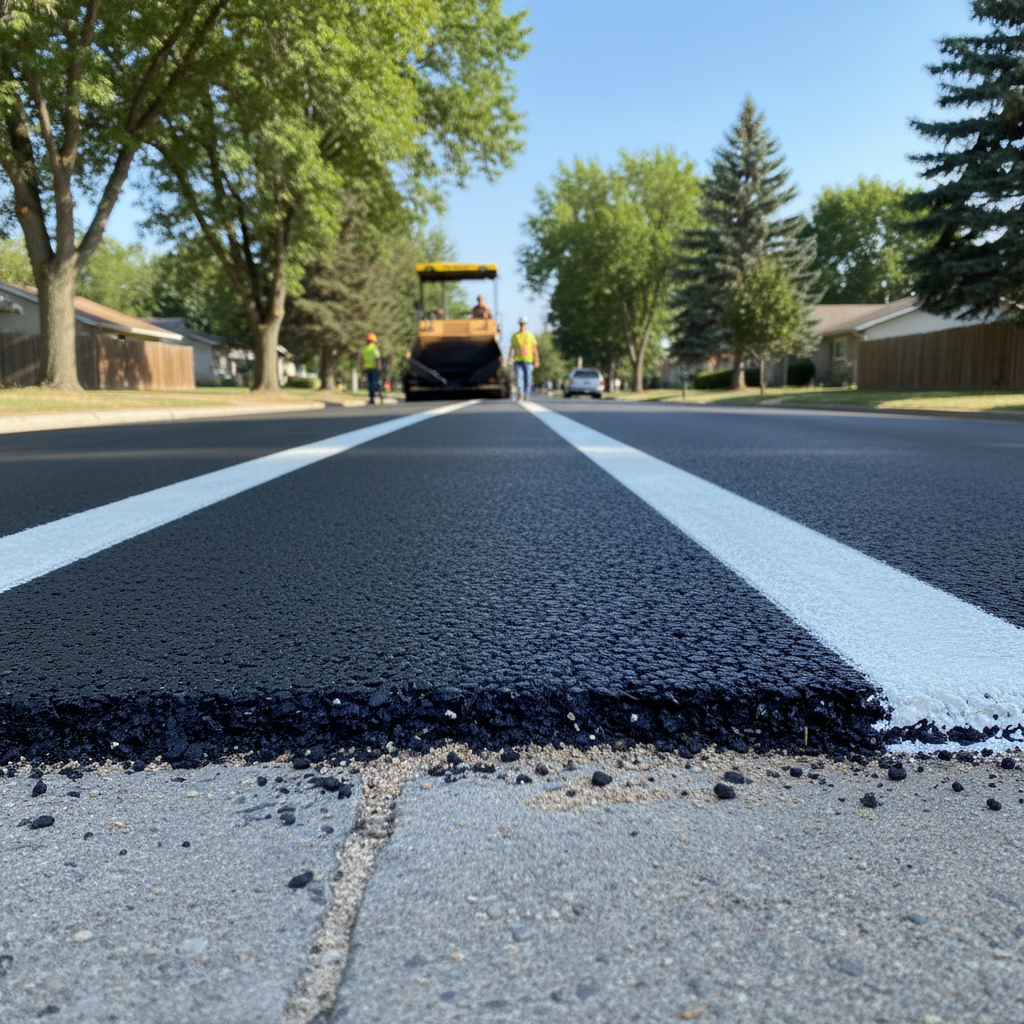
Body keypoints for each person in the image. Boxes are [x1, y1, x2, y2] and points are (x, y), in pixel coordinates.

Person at [509, 317, 539, 401]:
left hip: (528, 360)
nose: (522, 326)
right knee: (519, 377)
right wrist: (509, 358)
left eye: (524, 324)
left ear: (526, 325)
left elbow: (534, 348)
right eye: (521, 324)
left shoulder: (530, 335)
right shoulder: (515, 336)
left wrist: (536, 360)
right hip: (518, 360)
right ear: (519, 324)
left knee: (528, 378)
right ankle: (521, 393)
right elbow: (512, 348)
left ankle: (527, 394)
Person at [362, 332, 382, 405]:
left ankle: (371, 398)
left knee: (370, 383)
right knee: (374, 383)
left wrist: (361, 367)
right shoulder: (374, 348)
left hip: (367, 368)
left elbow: (362, 359)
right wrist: (379, 367)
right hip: (374, 368)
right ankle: (377, 396)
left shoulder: (366, 348)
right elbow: (377, 357)